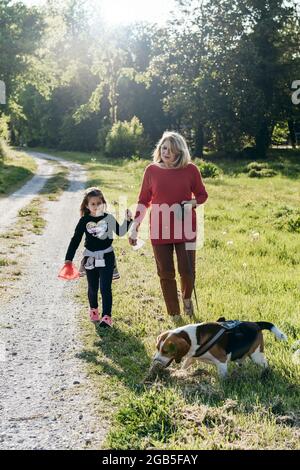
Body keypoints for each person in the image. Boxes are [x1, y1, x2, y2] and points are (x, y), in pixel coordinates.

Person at [129, 131, 208, 320]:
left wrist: (190, 203)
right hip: (159, 228)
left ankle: (187, 299)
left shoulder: (191, 170)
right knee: (165, 272)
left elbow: (202, 195)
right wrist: (135, 227)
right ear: (159, 149)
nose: (166, 153)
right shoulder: (151, 170)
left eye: (171, 150)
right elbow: (143, 200)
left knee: (187, 270)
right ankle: (174, 314)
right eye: (164, 148)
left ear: (179, 152)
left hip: (185, 228)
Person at [65, 187, 132, 327]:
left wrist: (128, 220)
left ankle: (106, 316)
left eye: (99, 203)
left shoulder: (108, 218)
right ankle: (94, 310)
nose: (96, 206)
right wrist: (68, 258)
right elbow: (75, 239)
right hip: (90, 258)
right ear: (87, 205)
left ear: (103, 203)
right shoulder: (84, 220)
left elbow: (120, 232)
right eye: (93, 204)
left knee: (105, 287)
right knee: (92, 287)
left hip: (107, 256)